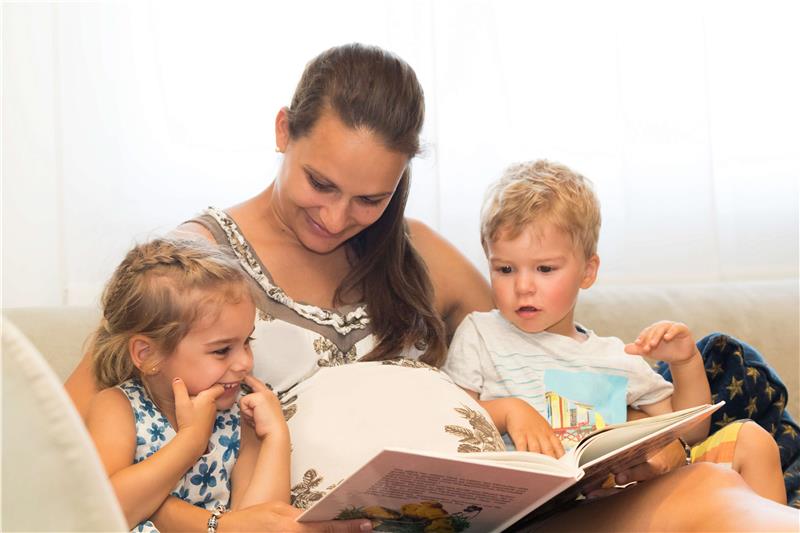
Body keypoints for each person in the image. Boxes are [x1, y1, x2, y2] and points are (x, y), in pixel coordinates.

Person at [65, 43, 798, 532]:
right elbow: (67, 445)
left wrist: (616, 442)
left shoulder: (416, 253)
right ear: (284, 130)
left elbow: (535, 358)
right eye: (321, 183)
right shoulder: (195, 271)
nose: (336, 218)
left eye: (370, 197)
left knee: (712, 491)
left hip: (494, 515)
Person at [442, 159, 787, 504]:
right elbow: (444, 418)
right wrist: (509, 411)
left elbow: (690, 432)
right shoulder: (480, 333)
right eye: (505, 269)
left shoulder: (617, 358)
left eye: (545, 269)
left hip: (613, 504)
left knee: (752, 440)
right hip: (526, 507)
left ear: (588, 271)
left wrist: (685, 363)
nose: (523, 287)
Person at [84, 238, 292, 532]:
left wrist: (275, 437)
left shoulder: (238, 415)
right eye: (222, 350)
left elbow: (259, 524)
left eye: (247, 341)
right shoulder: (118, 407)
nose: (245, 362)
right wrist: (191, 441)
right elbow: (102, 513)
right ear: (148, 355)